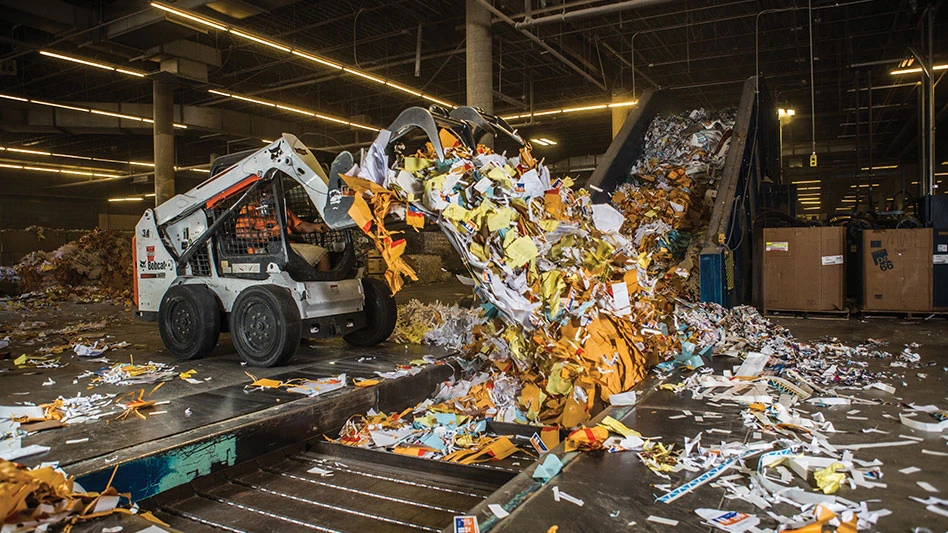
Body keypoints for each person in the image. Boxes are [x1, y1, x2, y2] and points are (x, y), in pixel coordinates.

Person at [235, 192, 331, 271]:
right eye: (268, 193)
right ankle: (324, 287)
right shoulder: (250, 211)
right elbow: (240, 232)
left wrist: (316, 227)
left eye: (272, 193)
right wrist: (260, 234)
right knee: (322, 256)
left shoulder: (281, 209)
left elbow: (299, 226)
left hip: (287, 245)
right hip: (268, 248)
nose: (270, 196)